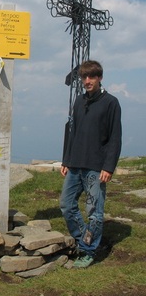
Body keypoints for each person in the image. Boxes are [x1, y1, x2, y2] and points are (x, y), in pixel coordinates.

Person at [60, 60, 122, 268]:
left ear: (99, 78)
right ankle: (83, 240)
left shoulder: (111, 102)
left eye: (91, 77)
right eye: (84, 77)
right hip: (75, 164)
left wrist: (108, 166)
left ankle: (89, 250)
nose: (87, 81)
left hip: (96, 166)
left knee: (94, 213)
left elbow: (115, 137)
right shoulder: (79, 101)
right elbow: (73, 132)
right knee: (66, 205)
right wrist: (66, 160)